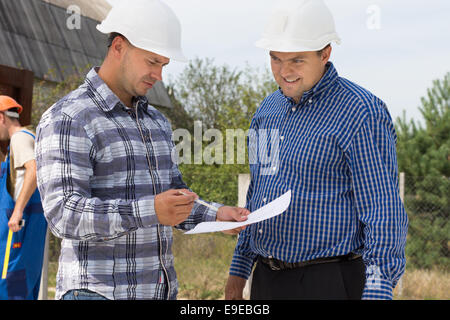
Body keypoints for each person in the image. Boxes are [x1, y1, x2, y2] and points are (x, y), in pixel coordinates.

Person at [35, 0, 249, 300]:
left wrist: (216, 216)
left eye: (163, 65)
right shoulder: (70, 117)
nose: (159, 75)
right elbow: (63, 214)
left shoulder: (156, 122)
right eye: (152, 62)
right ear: (119, 47)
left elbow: (173, 198)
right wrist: (150, 210)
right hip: (97, 293)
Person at [225, 0, 408, 300]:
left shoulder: (361, 112)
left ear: (325, 53)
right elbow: (258, 195)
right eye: (275, 59)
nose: (284, 72)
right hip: (266, 281)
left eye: (297, 60)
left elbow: (383, 212)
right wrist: (239, 269)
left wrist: (377, 291)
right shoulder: (267, 110)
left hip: (329, 282)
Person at [0, 96, 47, 300]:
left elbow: (33, 170)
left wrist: (17, 211)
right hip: (28, 227)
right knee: (22, 287)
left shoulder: (19, 138)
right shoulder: (30, 137)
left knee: (11, 286)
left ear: (1, 117)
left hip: (18, 228)